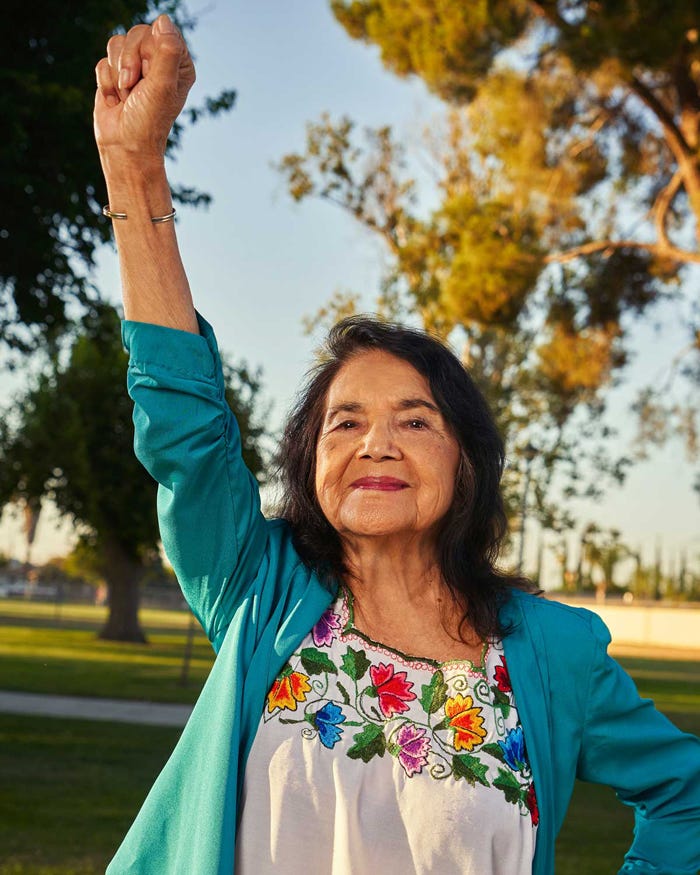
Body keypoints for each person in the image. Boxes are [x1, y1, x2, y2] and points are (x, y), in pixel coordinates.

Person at [94, 15, 700, 875]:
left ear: (468, 463)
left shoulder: (553, 652)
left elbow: (688, 796)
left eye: (415, 420)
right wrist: (133, 162)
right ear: (311, 464)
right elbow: (185, 429)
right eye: (345, 422)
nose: (376, 441)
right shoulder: (256, 586)